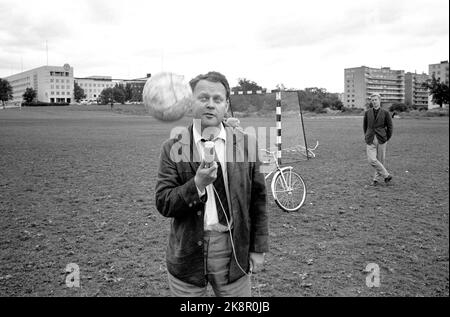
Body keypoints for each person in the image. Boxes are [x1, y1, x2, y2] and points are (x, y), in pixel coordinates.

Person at [155, 71, 268, 297]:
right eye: (203, 98)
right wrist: (197, 184)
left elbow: (259, 200)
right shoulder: (172, 147)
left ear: (226, 105)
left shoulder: (247, 145)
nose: (210, 104)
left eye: (217, 99)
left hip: (233, 249)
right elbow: (164, 202)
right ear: (190, 103)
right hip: (187, 253)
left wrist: (258, 248)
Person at [363, 93, 393, 186]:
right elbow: (365, 126)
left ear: (379, 100)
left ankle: (376, 179)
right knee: (372, 160)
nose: (374, 102)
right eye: (372, 100)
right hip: (370, 139)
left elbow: (390, 127)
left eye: (376, 100)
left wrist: (386, 138)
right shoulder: (367, 113)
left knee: (380, 159)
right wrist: (367, 135)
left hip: (381, 139)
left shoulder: (385, 113)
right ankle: (386, 175)